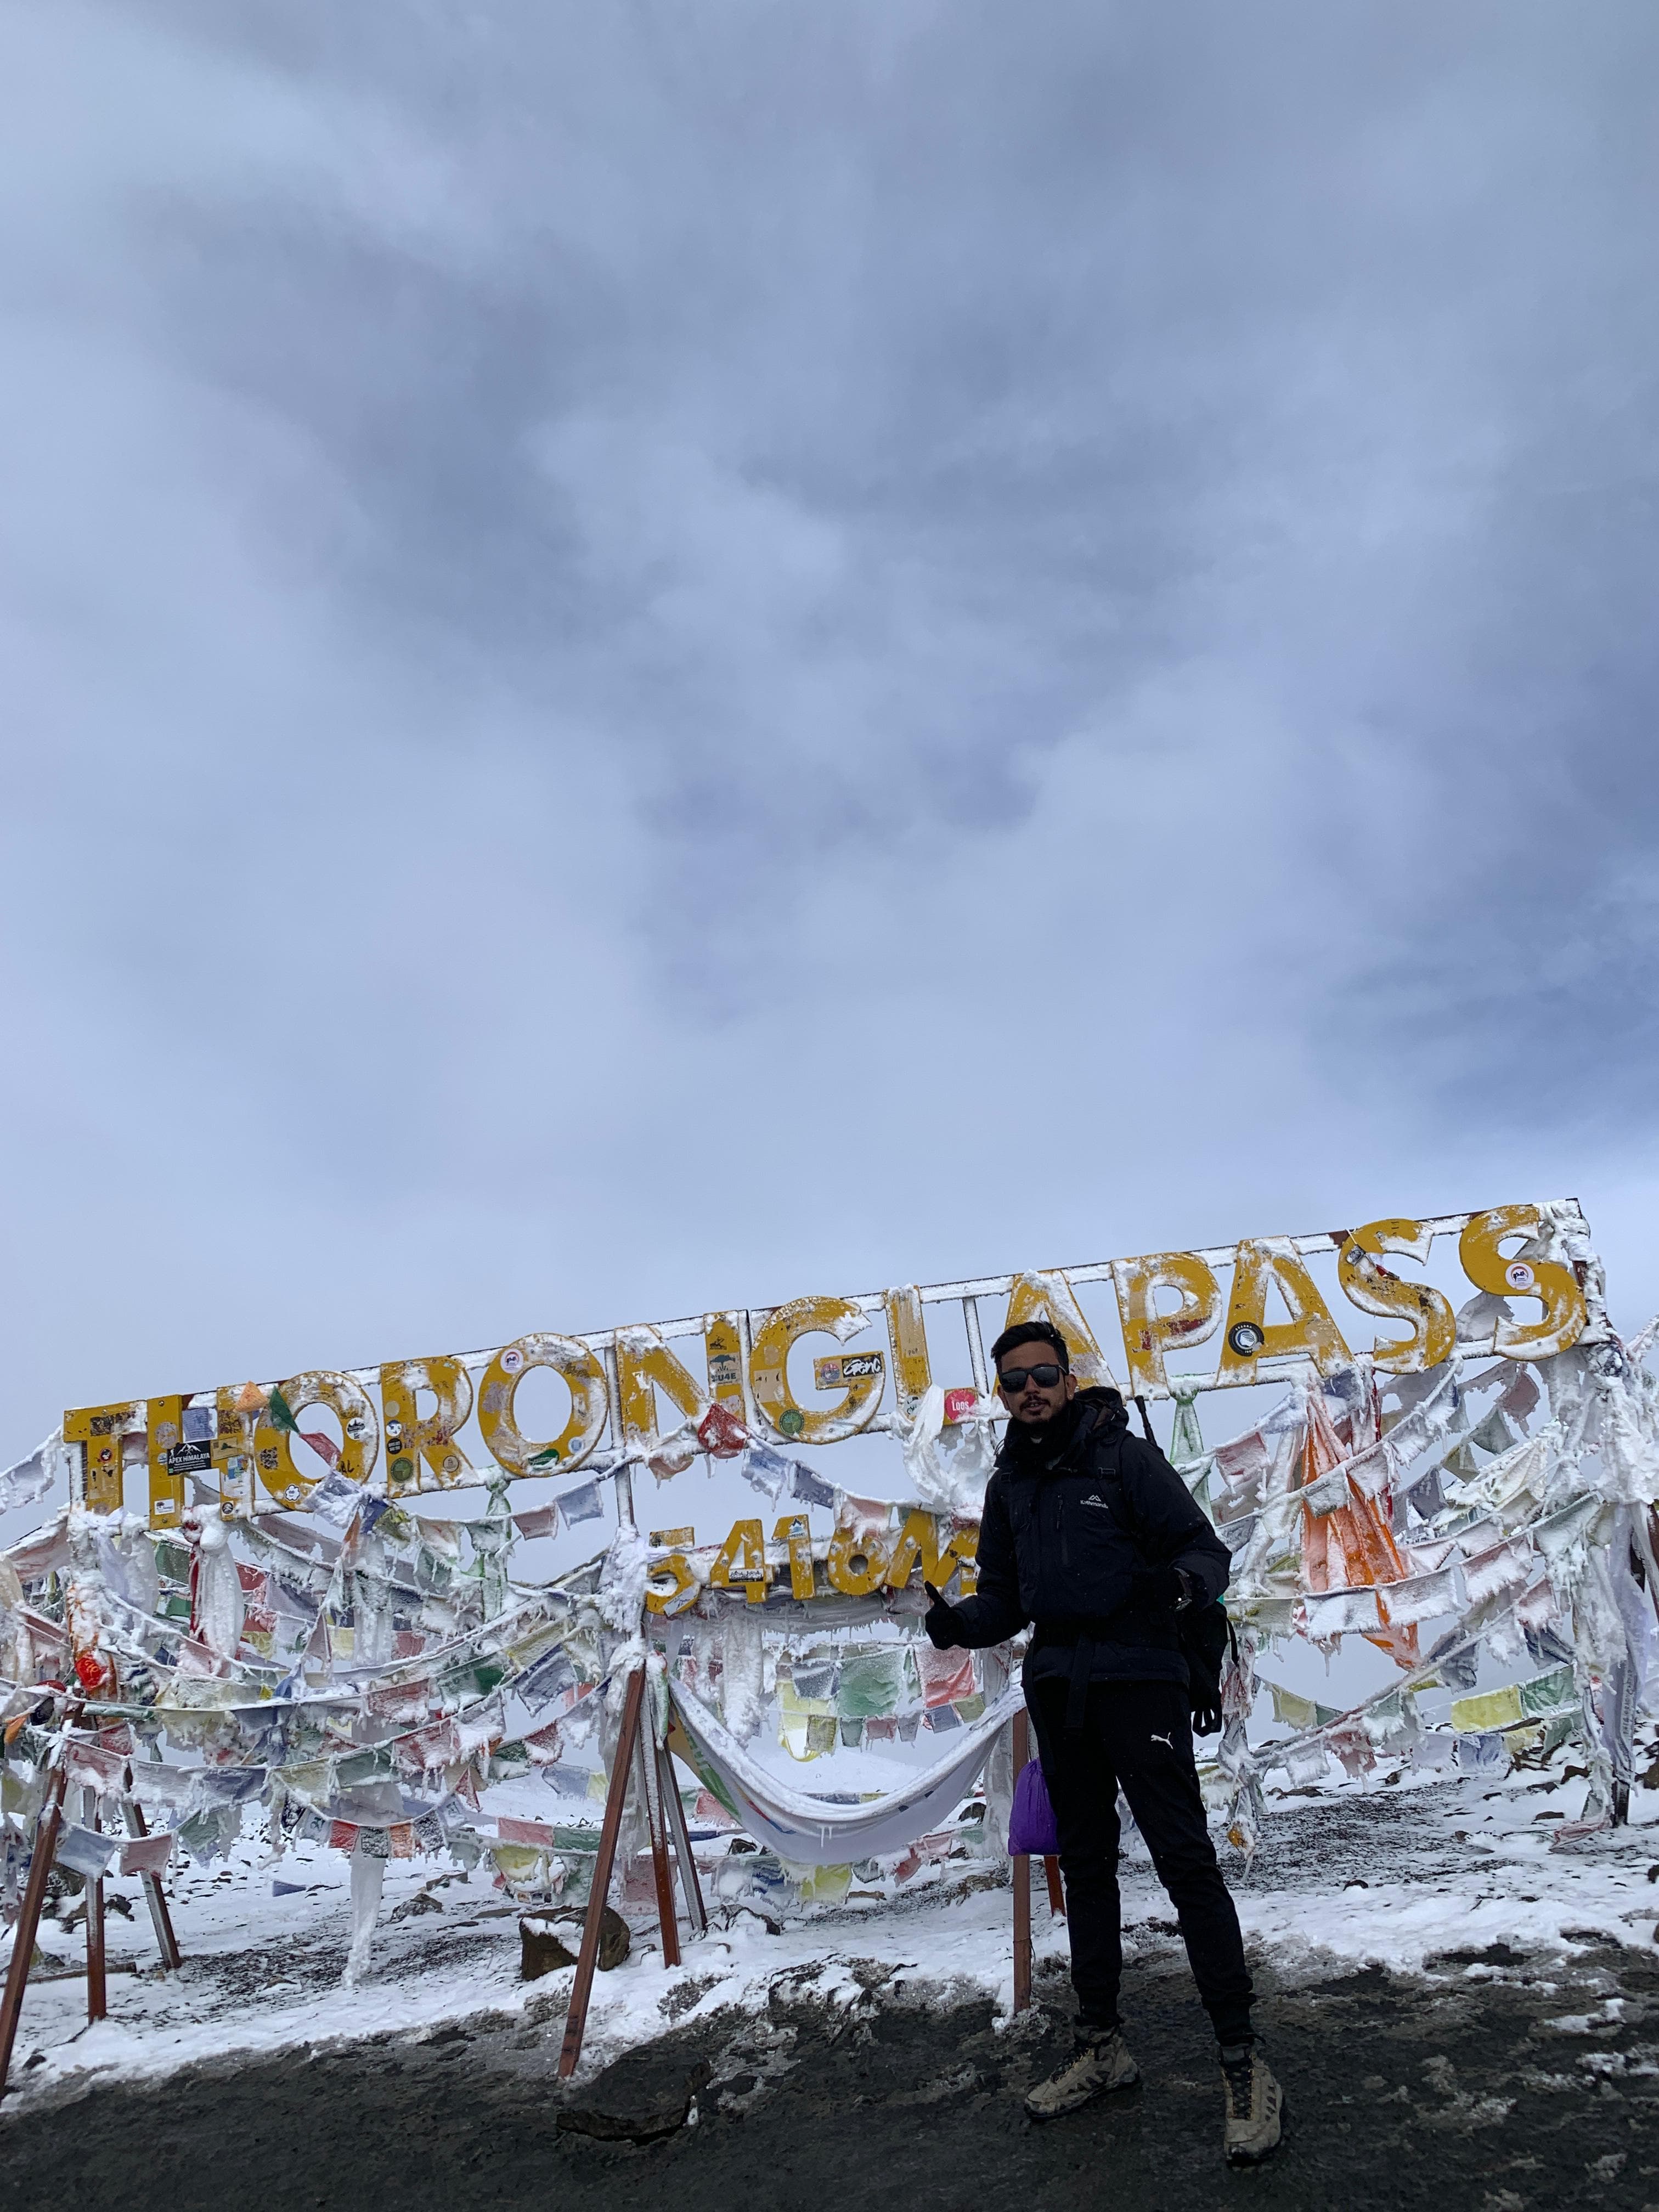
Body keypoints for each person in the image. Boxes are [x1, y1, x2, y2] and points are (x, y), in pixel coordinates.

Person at [924, 1319, 1283, 2165]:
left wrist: (1179, 1587)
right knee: (1083, 1868)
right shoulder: (1011, 1485)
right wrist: (957, 1622)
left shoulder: (1124, 1459)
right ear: (1002, 1395)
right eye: (1014, 1382)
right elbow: (1006, 1600)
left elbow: (1208, 1551)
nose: (1031, 1391)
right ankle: (1101, 2047)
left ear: (1069, 1378)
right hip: (1061, 1689)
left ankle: (1243, 2061)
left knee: (1183, 1860)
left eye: (1043, 1374)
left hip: (1143, 1677)